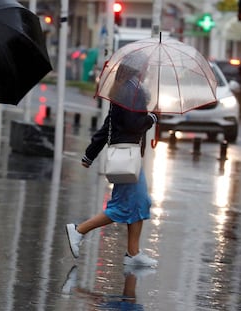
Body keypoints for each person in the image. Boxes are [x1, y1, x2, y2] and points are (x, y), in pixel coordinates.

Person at [65, 59, 158, 267]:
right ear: (138, 68)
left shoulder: (128, 88)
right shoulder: (131, 91)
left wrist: (90, 154)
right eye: (146, 65)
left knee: (140, 202)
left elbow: (109, 123)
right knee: (123, 207)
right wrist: (151, 118)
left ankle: (133, 254)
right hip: (127, 155)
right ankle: (79, 230)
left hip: (128, 154)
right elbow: (132, 124)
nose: (148, 68)